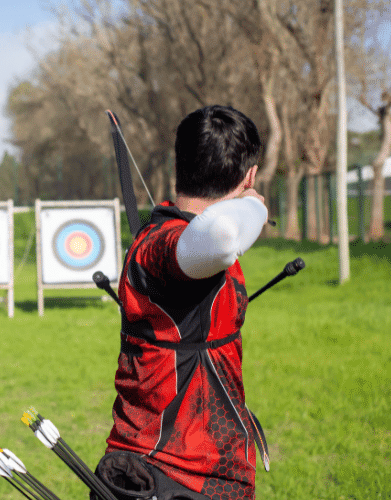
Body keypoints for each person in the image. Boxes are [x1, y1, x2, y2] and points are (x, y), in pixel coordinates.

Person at [94, 105, 268, 500]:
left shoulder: (184, 244)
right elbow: (222, 236)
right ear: (250, 176)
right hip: (170, 478)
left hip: (211, 470)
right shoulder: (162, 246)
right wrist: (255, 205)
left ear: (179, 164)